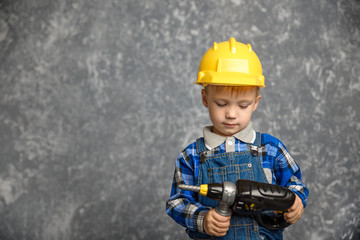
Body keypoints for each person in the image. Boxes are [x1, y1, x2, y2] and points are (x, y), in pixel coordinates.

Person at [166, 37, 309, 240]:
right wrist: (202, 219)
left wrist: (296, 200)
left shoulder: (270, 149)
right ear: (205, 99)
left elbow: (295, 183)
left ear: (255, 103)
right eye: (222, 103)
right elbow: (177, 201)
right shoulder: (191, 156)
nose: (231, 114)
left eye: (242, 105)